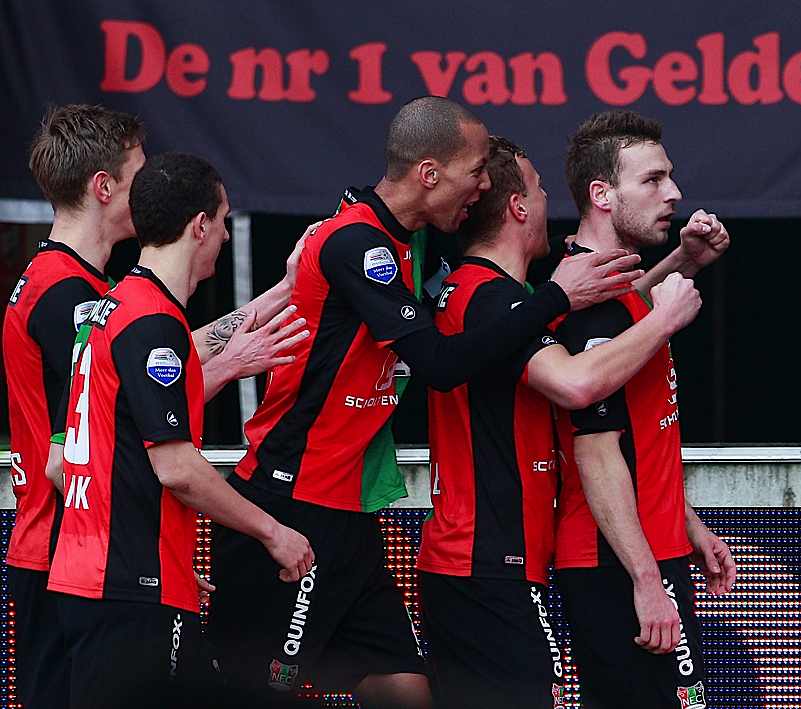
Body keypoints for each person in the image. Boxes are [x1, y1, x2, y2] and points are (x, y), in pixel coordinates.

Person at [208, 96, 641, 708]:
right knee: (262, 689)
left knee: (407, 689)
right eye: (475, 172)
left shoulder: (402, 241)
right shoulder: (357, 243)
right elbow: (439, 366)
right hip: (291, 501)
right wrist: (555, 298)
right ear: (429, 173)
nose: (485, 186)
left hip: (349, 510)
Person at [3, 104, 308, 709]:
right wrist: (133, 554)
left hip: (85, 555)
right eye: (140, 173)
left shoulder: (84, 292)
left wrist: (268, 305)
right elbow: (78, 452)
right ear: (104, 187)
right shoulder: (70, 298)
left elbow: (139, 381)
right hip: (70, 554)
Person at [416, 135, 704, 708]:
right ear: (519, 207)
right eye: (541, 188)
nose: (552, 199)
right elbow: (578, 384)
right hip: (488, 560)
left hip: (493, 559)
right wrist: (665, 319)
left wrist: (678, 264)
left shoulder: (512, 300)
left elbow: (598, 328)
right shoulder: (497, 299)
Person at [551, 110, 738, 708]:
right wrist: (646, 579)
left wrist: (685, 522)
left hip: (652, 549)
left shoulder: (614, 293)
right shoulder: (587, 306)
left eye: (670, 177)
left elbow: (640, 432)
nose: (675, 194)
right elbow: (597, 452)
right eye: (653, 180)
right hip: (616, 562)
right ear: (602, 195)